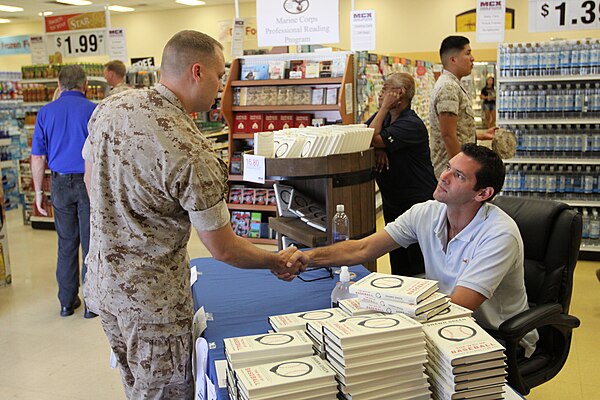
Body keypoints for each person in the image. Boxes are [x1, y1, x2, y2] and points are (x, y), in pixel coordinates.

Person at [83, 30, 305, 399]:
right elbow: (224, 249)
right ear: (197, 71)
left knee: (134, 384)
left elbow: (90, 174)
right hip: (154, 307)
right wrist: (274, 261)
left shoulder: (112, 107)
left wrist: (123, 218)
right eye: (220, 75)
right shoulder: (191, 150)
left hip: (104, 287)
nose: (221, 86)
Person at [286, 143, 539, 357]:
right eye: (448, 167)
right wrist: (306, 258)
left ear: (482, 193)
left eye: (459, 176)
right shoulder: (426, 212)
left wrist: (386, 310)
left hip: (495, 337)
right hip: (441, 323)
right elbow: (362, 249)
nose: (444, 176)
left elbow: (461, 306)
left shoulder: (499, 234)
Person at [30, 64, 97, 318]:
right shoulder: (94, 111)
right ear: (86, 85)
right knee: (92, 243)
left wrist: (39, 193)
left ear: (59, 86)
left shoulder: (45, 113)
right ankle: (92, 304)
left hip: (59, 184)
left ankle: (67, 303)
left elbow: (38, 157)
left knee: (66, 243)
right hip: (88, 183)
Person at [366, 72, 437, 276]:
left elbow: (371, 136)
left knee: (417, 263)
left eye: (386, 89)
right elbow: (367, 133)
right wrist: (380, 147)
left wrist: (378, 141)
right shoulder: (386, 118)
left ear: (400, 93)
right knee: (397, 259)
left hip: (416, 201)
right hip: (394, 200)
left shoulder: (412, 124)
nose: (381, 94)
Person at [429, 35, 497, 179]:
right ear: (453, 59)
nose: (472, 58)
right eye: (467, 53)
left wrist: (480, 135)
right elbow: (448, 135)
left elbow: (456, 129)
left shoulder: (453, 85)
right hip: (451, 170)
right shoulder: (448, 87)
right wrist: (459, 171)